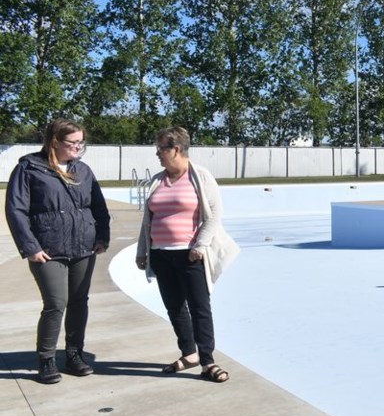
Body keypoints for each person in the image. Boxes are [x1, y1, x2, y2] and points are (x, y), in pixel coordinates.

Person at [5, 119, 111, 384]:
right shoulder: (29, 168)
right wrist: (30, 247)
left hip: (84, 248)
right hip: (48, 250)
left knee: (79, 302)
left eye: (81, 142)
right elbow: (16, 210)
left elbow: (98, 207)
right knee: (55, 303)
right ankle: (46, 359)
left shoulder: (83, 170)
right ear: (55, 141)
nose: (78, 147)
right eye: (72, 142)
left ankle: (74, 354)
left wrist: (102, 237)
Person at [135, 127, 239, 383]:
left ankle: (207, 361)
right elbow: (149, 219)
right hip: (161, 254)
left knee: (200, 308)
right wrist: (143, 251)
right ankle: (188, 353)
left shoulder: (201, 177)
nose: (157, 154)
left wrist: (200, 246)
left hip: (190, 255)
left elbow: (214, 215)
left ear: (176, 149)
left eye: (161, 149)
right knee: (175, 308)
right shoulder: (158, 180)